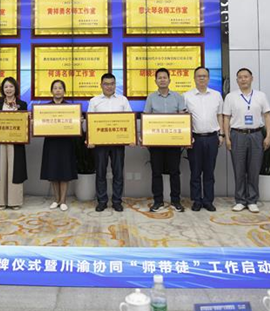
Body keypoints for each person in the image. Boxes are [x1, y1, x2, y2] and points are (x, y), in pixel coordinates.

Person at [222, 68, 270, 214]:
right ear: (236, 80)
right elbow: (226, 118)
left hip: (256, 135)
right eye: (240, 77)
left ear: (252, 78)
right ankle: (240, 200)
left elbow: (267, 116)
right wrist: (227, 138)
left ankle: (252, 201)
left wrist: (268, 136)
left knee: (254, 169)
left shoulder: (261, 96)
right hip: (237, 135)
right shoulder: (231, 97)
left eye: (246, 76)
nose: (243, 79)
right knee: (239, 169)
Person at [87, 73, 133, 212]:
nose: (109, 86)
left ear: (115, 85)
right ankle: (102, 201)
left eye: (112, 84)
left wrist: (131, 138)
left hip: (118, 143)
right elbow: (89, 123)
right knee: (100, 173)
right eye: (106, 84)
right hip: (100, 144)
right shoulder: (94, 101)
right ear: (101, 85)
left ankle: (117, 201)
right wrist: (90, 139)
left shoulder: (122, 100)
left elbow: (129, 120)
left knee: (118, 173)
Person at [143, 68, 187, 212]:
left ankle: (176, 201)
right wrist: (144, 136)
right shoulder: (151, 97)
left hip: (174, 141)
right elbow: (146, 117)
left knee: (175, 172)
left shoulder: (178, 97)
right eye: (159, 78)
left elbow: (183, 118)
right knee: (156, 172)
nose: (162, 80)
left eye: (165, 77)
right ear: (155, 81)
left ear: (169, 80)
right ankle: (158, 201)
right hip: (156, 141)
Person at [183, 66, 224, 212]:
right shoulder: (186, 96)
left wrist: (221, 134)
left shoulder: (216, 95)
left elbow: (220, 115)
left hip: (212, 138)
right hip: (195, 139)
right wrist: (186, 138)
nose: (202, 78)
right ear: (194, 78)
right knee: (195, 172)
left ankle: (208, 200)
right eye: (199, 76)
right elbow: (183, 118)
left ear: (208, 78)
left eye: (204, 76)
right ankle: (196, 200)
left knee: (209, 172)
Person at [0, 77, 28, 210]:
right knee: (0, 170)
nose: (8, 89)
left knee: (14, 170)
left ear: (15, 88)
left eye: (11, 86)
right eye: (6, 87)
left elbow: (25, 124)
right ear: (2, 89)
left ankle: (14, 201)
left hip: (16, 142)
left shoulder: (22, 104)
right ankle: (0, 201)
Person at [40, 79, 78, 211]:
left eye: (60, 88)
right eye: (55, 88)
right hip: (51, 142)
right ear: (51, 91)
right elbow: (40, 124)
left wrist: (78, 121)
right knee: (53, 171)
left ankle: (63, 200)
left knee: (64, 171)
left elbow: (75, 124)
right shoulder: (45, 108)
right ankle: (56, 200)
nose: (57, 90)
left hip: (66, 142)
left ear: (64, 91)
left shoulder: (71, 108)